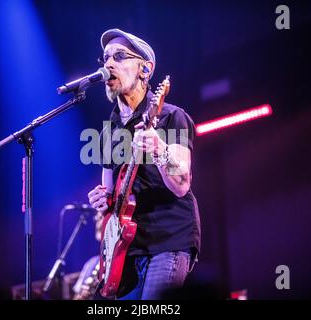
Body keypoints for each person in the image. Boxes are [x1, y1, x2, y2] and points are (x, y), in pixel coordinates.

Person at [87, 28, 201, 300]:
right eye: (105, 58)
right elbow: (111, 203)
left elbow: (182, 185)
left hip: (167, 240)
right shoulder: (108, 133)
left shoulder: (171, 117)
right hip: (125, 253)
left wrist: (159, 148)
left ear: (145, 70)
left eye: (120, 56)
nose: (109, 64)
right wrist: (103, 200)